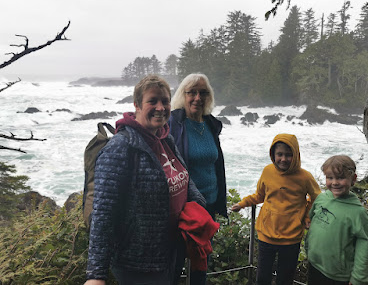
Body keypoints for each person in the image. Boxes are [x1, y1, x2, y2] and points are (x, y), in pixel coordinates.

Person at [84, 75, 206, 285]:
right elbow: (103, 214)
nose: (161, 107)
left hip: (170, 252)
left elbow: (182, 175)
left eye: (165, 101)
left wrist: (200, 207)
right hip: (138, 262)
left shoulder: (165, 138)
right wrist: (96, 274)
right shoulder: (120, 148)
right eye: (153, 101)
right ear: (137, 105)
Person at [231, 133, 321, 285]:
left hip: (291, 237)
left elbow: (317, 198)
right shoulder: (267, 171)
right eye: (279, 154)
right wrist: (243, 203)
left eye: (288, 154)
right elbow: (260, 195)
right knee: (262, 278)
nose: (283, 159)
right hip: (267, 234)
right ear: (273, 154)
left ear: (296, 155)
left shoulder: (305, 177)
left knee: (285, 279)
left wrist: (307, 217)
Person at [169, 73, 228, 285]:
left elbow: (216, 166)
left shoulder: (211, 125)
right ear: (182, 95)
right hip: (184, 207)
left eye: (203, 93)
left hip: (208, 206)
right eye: (191, 92)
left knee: (200, 263)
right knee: (175, 263)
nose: (197, 97)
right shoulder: (174, 124)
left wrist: (221, 201)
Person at [306, 155, 368, 285]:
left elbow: (364, 244)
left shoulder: (357, 212)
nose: (335, 182)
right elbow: (311, 218)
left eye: (341, 177)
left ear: (353, 179)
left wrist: (358, 277)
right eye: (330, 177)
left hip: (338, 275)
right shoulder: (321, 199)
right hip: (314, 264)